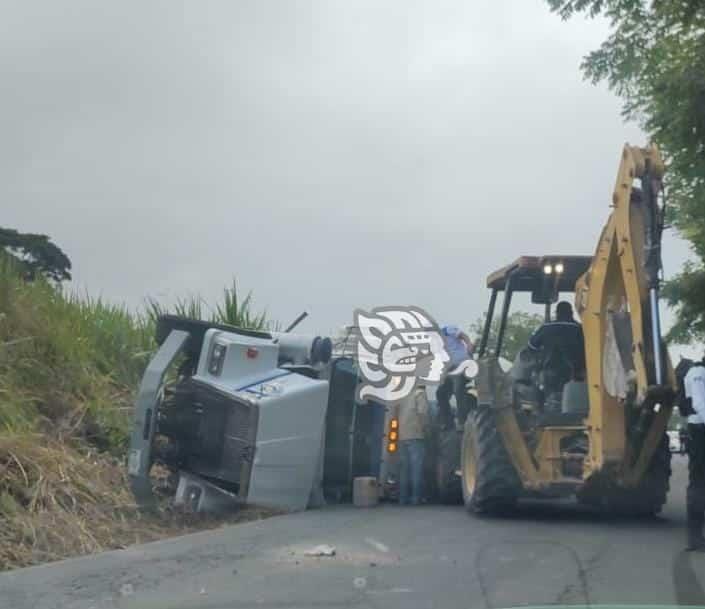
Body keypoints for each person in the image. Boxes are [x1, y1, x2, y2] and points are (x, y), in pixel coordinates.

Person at [528, 301, 585, 390]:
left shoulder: (546, 327)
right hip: (574, 376)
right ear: (571, 313)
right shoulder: (579, 329)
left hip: (549, 374)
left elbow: (532, 346)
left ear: (557, 313)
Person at [684, 354, 705, 551]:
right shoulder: (697, 372)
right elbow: (699, 404)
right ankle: (695, 536)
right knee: (699, 482)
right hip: (699, 431)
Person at [436, 325, 474, 429]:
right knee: (440, 393)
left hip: (463, 365)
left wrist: (469, 344)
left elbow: (463, 336)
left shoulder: (447, 330)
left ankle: (462, 421)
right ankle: (448, 421)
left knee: (458, 390)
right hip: (451, 370)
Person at [398, 384, 429, 505]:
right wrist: (426, 428)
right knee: (416, 468)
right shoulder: (420, 393)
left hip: (402, 435)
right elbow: (423, 413)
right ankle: (416, 498)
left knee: (404, 468)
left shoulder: (403, 393)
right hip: (416, 434)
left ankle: (402, 498)